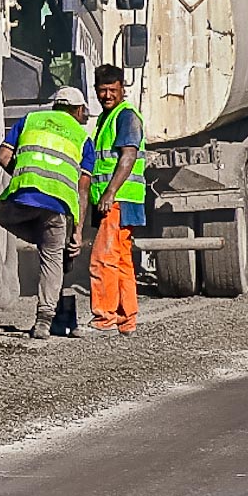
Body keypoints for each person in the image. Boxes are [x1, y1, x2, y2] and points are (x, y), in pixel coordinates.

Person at [0, 86, 94, 340]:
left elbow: (3, 155)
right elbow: (83, 190)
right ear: (79, 110)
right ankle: (44, 321)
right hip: (58, 206)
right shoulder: (83, 139)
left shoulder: (30, 119)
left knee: (0, 214)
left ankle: (46, 241)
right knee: (53, 256)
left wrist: (25, 174)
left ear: (55, 105)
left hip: (22, 199)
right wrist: (78, 232)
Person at [88, 62, 147, 334]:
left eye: (112, 89)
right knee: (122, 260)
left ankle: (104, 317)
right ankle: (127, 320)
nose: (107, 95)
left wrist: (109, 193)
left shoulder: (126, 116)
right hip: (123, 200)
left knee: (103, 258)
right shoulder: (105, 119)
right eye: (102, 90)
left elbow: (129, 155)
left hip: (119, 200)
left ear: (123, 88)